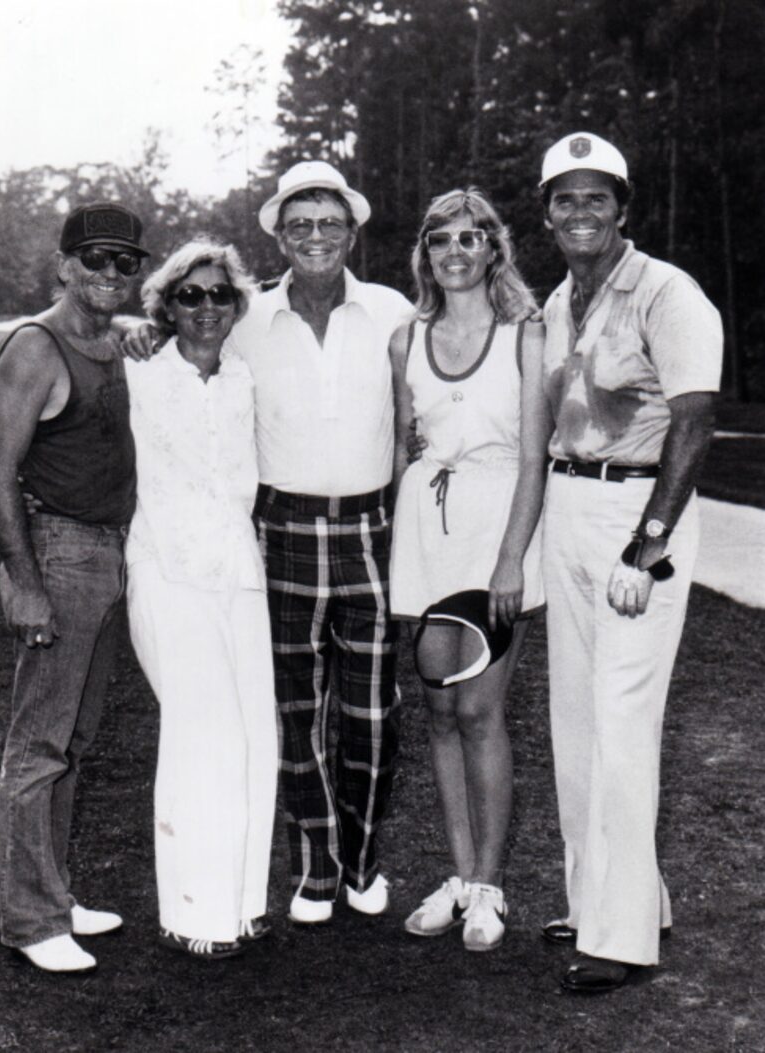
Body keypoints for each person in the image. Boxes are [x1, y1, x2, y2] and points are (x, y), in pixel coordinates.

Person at [537, 133, 723, 993]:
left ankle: (622, 938)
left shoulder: (667, 292)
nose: (581, 213)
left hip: (636, 514)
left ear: (624, 207)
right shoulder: (558, 302)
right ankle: (606, 899)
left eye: (596, 197)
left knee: (620, 726)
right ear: (547, 214)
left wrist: (647, 546)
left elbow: (692, 422)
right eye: (565, 199)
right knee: (575, 723)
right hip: (571, 503)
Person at [231, 161, 413, 923]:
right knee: (297, 711)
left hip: (371, 530)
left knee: (372, 712)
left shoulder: (393, 311)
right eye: (299, 223)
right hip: (282, 534)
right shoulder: (243, 319)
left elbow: (421, 412)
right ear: (278, 234)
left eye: (328, 222)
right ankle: (315, 864)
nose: (315, 236)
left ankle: (363, 859)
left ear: (351, 230)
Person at [0, 202, 147, 972]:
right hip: (60, 551)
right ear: (64, 265)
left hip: (112, 553)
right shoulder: (35, 347)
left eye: (126, 261)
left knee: (74, 740)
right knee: (39, 741)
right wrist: (24, 579)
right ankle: (29, 917)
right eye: (96, 259)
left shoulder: (111, 343)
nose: (111, 273)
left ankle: (53, 890)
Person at [388, 188, 549, 952]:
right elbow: (402, 446)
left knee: (483, 710)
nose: (455, 251)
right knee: (440, 713)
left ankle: (489, 883)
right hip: (427, 531)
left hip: (496, 532)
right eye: (441, 240)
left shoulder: (526, 333)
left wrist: (511, 558)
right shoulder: (405, 339)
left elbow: (533, 457)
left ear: (493, 249)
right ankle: (457, 876)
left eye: (470, 237)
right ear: (425, 253)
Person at [124, 237, 277, 959]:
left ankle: (243, 901)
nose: (207, 308)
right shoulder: (138, 375)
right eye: (191, 295)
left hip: (237, 572)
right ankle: (193, 910)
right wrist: (127, 331)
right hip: (167, 572)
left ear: (237, 305)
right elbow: (71, 328)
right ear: (166, 307)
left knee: (253, 736)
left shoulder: (247, 376)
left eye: (220, 295)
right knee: (201, 735)